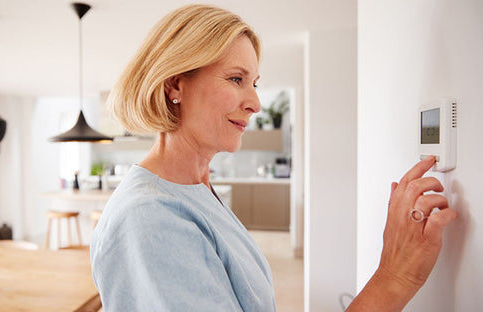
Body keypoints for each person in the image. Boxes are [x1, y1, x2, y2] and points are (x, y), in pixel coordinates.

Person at [90, 4, 457, 311]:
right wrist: (394, 278)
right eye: (236, 79)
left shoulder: (195, 189)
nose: (255, 103)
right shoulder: (151, 218)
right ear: (174, 85)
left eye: (255, 82)